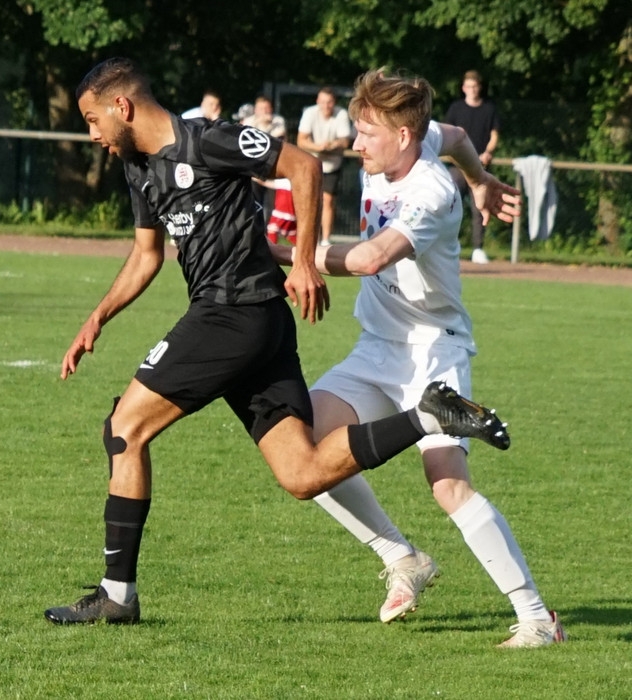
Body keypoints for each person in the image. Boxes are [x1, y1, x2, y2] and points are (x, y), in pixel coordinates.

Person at [43, 57, 511, 626]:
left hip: (232, 313)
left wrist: (305, 261)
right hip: (253, 323)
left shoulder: (208, 140)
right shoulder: (138, 167)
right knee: (303, 473)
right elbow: (147, 255)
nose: (92, 135)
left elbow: (303, 165)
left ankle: (118, 595)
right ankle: (428, 417)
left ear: (122, 106)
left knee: (124, 429)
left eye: (93, 120)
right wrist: (98, 317)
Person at [276, 68, 563, 648]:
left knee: (447, 484)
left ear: (403, 136)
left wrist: (278, 252)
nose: (356, 144)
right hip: (376, 347)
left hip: (433, 350)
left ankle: (537, 618)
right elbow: (456, 135)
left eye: (367, 134)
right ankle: (401, 557)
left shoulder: (429, 191)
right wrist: (481, 179)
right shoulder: (419, 139)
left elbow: (370, 258)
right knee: (303, 451)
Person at [444, 70, 501, 264]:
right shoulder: (456, 108)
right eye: (468, 86)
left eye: (475, 86)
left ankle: (478, 249)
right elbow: (447, 133)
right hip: (458, 167)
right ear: (463, 88)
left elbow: (494, 135)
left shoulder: (489, 109)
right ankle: (446, 244)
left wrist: (488, 152)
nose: (472, 90)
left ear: (479, 88)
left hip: (480, 168)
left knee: (480, 208)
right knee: (449, 204)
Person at [298, 87, 353, 246]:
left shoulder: (341, 114)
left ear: (334, 102)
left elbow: (345, 141)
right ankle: (308, 238)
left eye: (329, 102)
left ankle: (325, 240)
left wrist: (332, 145)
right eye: (322, 102)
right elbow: (301, 141)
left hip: (332, 165)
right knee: (310, 201)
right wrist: (318, 148)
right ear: (317, 101)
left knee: (328, 201)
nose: (326, 106)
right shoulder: (310, 113)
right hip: (311, 163)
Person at [243, 96, 296, 245]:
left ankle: (269, 237)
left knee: (273, 205)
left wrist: (264, 127)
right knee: (254, 203)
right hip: (254, 170)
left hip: (274, 170)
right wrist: (261, 125)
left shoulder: (278, 121)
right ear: (256, 110)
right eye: (262, 109)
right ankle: (254, 234)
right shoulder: (248, 122)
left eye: (268, 108)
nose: (266, 112)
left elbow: (278, 144)